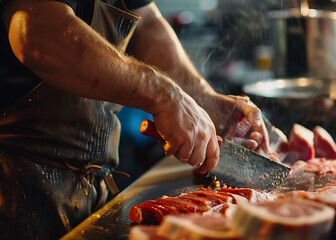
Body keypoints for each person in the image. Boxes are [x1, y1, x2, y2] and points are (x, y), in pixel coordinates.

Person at [0, 0, 276, 239]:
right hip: (18, 191)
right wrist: (165, 94)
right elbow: (39, 32)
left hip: (90, 184)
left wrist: (206, 101)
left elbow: (147, 24)